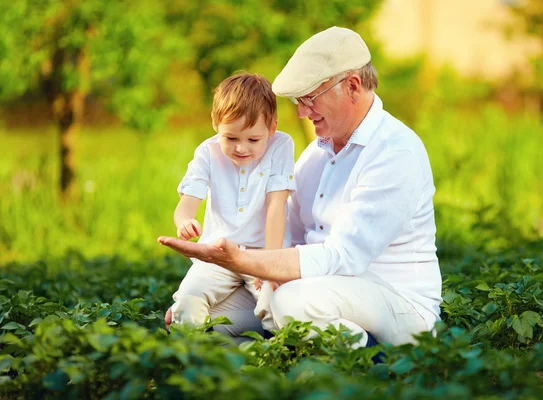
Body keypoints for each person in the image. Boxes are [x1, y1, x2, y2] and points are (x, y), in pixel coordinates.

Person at [159, 26, 442, 347]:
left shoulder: (393, 151)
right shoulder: (315, 155)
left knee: (290, 302)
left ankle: (368, 361)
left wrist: (243, 261)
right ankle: (277, 356)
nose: (301, 112)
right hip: (317, 293)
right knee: (205, 322)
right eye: (298, 101)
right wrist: (211, 291)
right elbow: (289, 234)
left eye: (310, 99)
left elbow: (345, 257)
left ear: (351, 86)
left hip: (393, 302)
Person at [164, 72, 296, 334]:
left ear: (272, 127)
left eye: (253, 139)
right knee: (187, 303)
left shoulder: (281, 144)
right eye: (231, 138)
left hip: (263, 252)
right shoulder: (207, 152)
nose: (241, 148)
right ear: (216, 124)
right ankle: (196, 363)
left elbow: (275, 207)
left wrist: (269, 266)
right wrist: (185, 222)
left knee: (278, 310)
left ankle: (273, 363)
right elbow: (187, 204)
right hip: (217, 254)